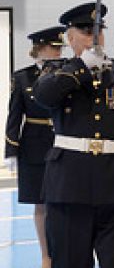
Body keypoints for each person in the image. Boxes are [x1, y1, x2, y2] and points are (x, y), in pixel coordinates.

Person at [32, 2, 114, 268]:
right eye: (86, 31)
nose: (94, 37)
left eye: (98, 31)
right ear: (70, 37)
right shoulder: (57, 71)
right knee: (70, 261)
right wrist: (80, 66)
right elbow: (43, 97)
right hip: (69, 185)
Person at [4, 26, 65, 268]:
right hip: (34, 146)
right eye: (54, 48)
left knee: (64, 204)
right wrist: (11, 149)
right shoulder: (22, 77)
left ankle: (66, 253)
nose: (58, 53)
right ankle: (46, 255)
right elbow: (14, 116)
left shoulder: (67, 74)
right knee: (41, 204)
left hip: (64, 142)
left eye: (60, 48)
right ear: (40, 48)